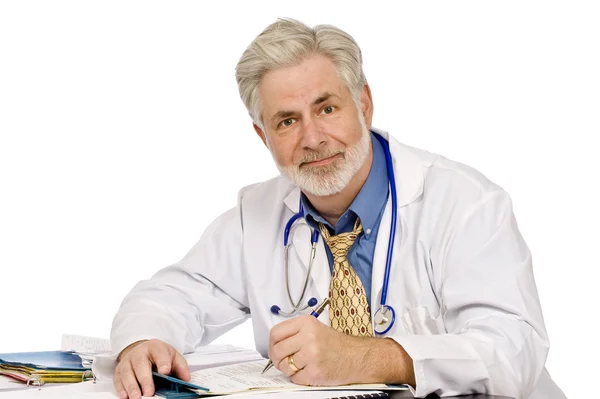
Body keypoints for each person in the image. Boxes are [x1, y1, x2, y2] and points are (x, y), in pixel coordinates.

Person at [110, 18, 566, 399]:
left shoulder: (465, 204)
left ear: (364, 104)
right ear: (262, 136)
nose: (312, 138)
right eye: (286, 121)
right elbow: (170, 295)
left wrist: (369, 357)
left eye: (326, 108)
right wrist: (145, 339)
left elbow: (515, 351)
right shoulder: (257, 214)